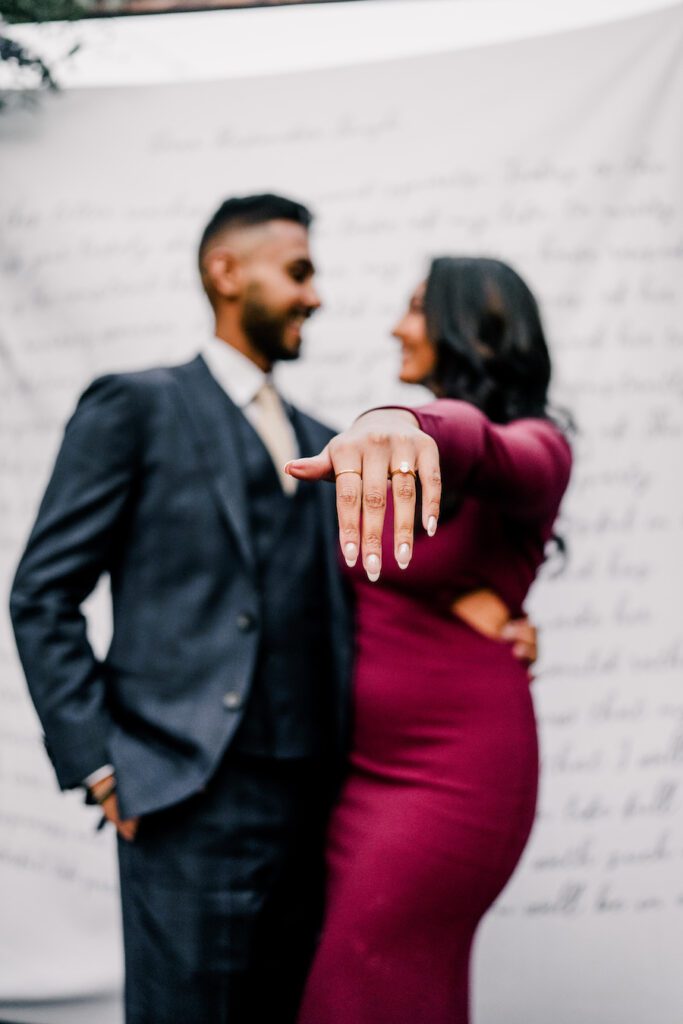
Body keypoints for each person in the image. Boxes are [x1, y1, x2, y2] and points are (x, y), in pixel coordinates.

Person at [10, 195, 537, 1024]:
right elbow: (42, 592)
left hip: (318, 807)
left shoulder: (324, 441)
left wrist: (479, 606)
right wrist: (100, 764)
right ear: (225, 272)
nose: (315, 296)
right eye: (297, 272)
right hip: (182, 800)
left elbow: (373, 580)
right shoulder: (135, 406)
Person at [287, 257, 573, 1024]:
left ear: (466, 327)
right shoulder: (389, 471)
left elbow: (484, 443)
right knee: (410, 993)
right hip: (357, 771)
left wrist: (404, 419)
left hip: (450, 776)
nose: (395, 325)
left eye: (415, 308)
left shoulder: (534, 446)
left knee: (358, 992)